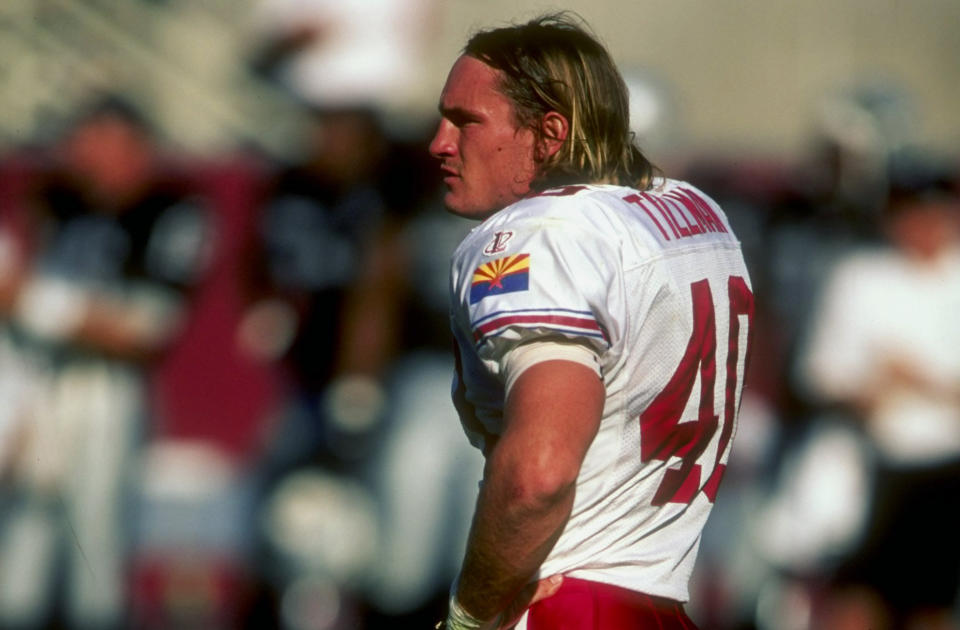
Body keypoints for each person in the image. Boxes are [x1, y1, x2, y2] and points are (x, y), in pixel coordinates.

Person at [429, 13, 755, 630]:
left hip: (563, 600)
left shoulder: (539, 235)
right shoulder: (693, 212)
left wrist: (469, 612)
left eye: (467, 122)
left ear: (549, 132)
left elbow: (540, 472)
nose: (439, 142)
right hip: (659, 605)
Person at [800, 167, 960, 630]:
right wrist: (864, 389)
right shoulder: (860, 278)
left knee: (930, 604)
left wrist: (920, 379)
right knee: (857, 600)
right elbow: (821, 371)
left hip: (944, 468)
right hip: (875, 465)